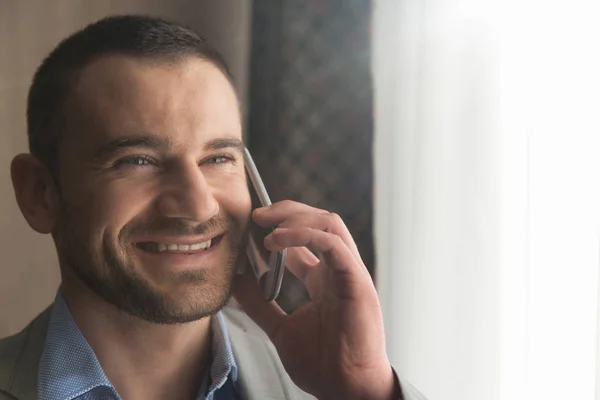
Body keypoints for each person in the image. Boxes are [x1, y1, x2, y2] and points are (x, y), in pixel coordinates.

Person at [0, 15, 426, 400]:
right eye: (138, 160)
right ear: (39, 194)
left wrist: (366, 389)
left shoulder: (321, 381)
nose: (198, 205)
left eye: (218, 158)